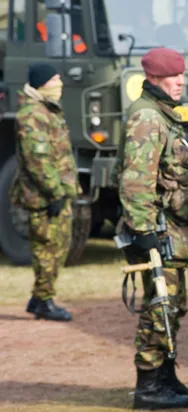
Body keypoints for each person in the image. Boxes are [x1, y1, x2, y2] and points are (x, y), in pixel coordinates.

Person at [113, 47, 188, 410]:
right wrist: (144, 230)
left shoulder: (161, 115)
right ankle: (149, 386)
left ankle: (165, 375)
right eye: (171, 76)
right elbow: (136, 182)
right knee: (158, 306)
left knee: (172, 306)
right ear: (153, 79)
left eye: (181, 75)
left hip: (170, 231)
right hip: (156, 233)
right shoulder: (147, 117)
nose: (179, 82)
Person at [11, 63, 80, 322]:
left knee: (58, 246)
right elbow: (37, 160)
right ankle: (43, 301)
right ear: (42, 84)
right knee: (47, 247)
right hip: (44, 196)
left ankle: (41, 298)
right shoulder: (32, 115)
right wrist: (54, 193)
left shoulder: (48, 111)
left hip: (56, 192)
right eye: (55, 79)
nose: (60, 83)